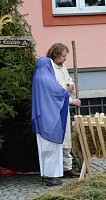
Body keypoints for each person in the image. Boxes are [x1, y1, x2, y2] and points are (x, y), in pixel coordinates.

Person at [31, 57, 70, 186]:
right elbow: (59, 92)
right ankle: (51, 177)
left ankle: (46, 175)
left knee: (44, 150)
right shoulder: (47, 79)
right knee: (52, 149)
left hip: (42, 119)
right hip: (50, 119)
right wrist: (68, 93)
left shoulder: (37, 78)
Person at [46, 43, 81, 177]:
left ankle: (67, 167)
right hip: (54, 109)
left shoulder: (62, 67)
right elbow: (54, 89)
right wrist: (71, 100)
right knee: (56, 139)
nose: (65, 59)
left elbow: (68, 80)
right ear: (56, 55)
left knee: (66, 137)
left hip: (64, 109)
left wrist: (71, 85)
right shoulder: (50, 68)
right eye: (63, 56)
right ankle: (56, 170)